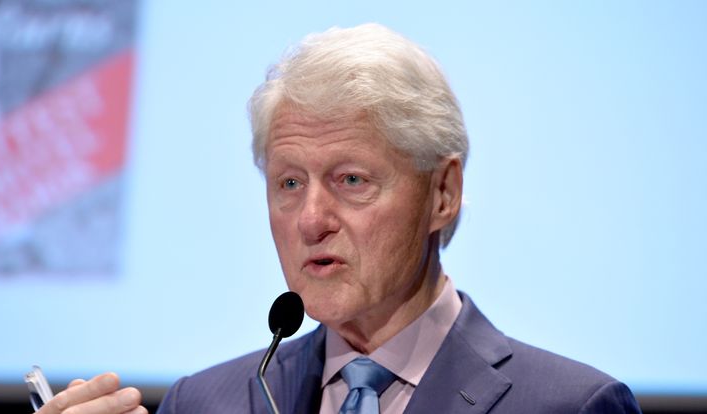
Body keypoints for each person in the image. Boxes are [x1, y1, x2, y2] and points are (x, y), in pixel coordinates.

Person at [39, 23, 642, 414]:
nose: (311, 220)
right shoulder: (205, 403)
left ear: (443, 194)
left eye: (351, 180)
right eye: (289, 183)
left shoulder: (570, 406)